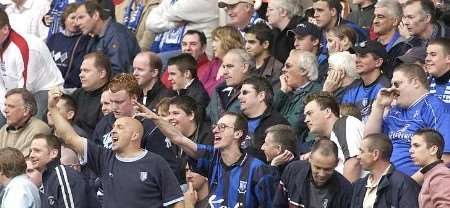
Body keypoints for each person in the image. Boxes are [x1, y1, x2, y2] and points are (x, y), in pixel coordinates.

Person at [47, 89, 185, 208]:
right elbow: (70, 137)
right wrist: (53, 108)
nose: (113, 131)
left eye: (120, 127)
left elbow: (176, 202)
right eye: (113, 127)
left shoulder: (156, 163)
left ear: (134, 135)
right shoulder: (104, 158)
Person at [135, 103, 276, 208]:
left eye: (223, 127)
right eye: (215, 126)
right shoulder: (212, 156)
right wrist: (156, 118)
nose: (215, 131)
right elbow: (179, 139)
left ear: (238, 134)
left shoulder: (257, 168)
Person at [365, 63, 450, 176]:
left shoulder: (435, 108)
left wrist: (410, 184)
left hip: (414, 185)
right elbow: (369, 143)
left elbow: (445, 157)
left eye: (397, 84)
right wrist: (379, 106)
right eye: (391, 85)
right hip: (384, 180)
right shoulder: (394, 110)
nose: (392, 90)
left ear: (415, 82)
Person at [0, 9, 64, 120]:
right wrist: (5, 111)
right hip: (14, 91)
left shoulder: (26, 48)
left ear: (5, 29)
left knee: (29, 124)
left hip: (44, 90)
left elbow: (25, 93)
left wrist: (11, 115)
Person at [273, 139, 353, 208]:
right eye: (317, 168)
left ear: (336, 163)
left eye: (327, 169)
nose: (322, 174)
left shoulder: (345, 190)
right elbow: (278, 204)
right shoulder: (293, 171)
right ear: (310, 158)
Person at [303, 91, 363, 182]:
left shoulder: (346, 123)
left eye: (309, 113)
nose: (306, 120)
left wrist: (344, 195)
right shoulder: (329, 137)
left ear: (327, 112)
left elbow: (354, 163)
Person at [351, 133, 420, 208]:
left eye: (362, 151)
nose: (358, 157)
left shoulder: (404, 184)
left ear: (375, 154)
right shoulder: (359, 185)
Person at [76, 1, 140, 74]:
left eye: (81, 17)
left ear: (95, 15)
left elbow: (118, 72)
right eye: (77, 19)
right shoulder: (94, 37)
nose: (77, 23)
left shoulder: (117, 34)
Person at [238, 76, 290, 161]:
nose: (239, 97)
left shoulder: (278, 124)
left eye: (245, 93)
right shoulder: (235, 120)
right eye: (240, 93)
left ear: (261, 96)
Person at [29, 134, 88, 208]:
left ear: (53, 153)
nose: (31, 155)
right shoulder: (48, 179)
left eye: (37, 151)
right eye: (31, 151)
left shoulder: (63, 175)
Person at [274, 50, 321, 139]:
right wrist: (282, 92)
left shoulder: (316, 93)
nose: (283, 69)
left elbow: (294, 126)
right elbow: (266, 117)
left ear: (303, 71)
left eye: (288, 66)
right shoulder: (286, 92)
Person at [340, 40, 390, 123]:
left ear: (378, 62)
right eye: (357, 55)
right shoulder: (353, 87)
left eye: (363, 56)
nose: (357, 60)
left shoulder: (386, 86)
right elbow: (343, 119)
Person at [47, 3, 90, 89]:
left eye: (78, 19)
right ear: (65, 18)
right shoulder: (54, 38)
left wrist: (65, 87)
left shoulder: (85, 40)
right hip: (49, 85)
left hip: (68, 88)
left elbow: (78, 69)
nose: (75, 22)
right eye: (72, 18)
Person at [206, 48, 252, 124]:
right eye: (224, 67)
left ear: (244, 67)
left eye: (230, 66)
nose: (224, 72)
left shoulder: (255, 92)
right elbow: (206, 118)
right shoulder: (218, 90)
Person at [0, 88, 51, 155]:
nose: (5, 110)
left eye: (11, 106)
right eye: (5, 105)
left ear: (26, 111)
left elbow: (20, 162)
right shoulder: (4, 129)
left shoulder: (39, 129)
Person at [71, 52, 111, 137]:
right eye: (81, 70)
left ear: (102, 73)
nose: (80, 75)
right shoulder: (77, 94)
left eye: (86, 71)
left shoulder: (111, 98)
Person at [410, 129, 450, 208]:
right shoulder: (432, 173)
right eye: (411, 146)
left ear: (433, 149)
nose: (410, 150)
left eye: (416, 145)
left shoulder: (440, 174)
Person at [373, 0, 412, 70]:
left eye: (380, 17)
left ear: (394, 21)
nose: (375, 21)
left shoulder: (404, 48)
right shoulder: (372, 45)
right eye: (375, 16)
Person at [244, 23, 283, 91]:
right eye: (246, 42)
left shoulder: (278, 69)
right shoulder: (246, 65)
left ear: (265, 44)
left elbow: (273, 99)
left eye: (252, 42)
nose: (246, 46)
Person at [426, 38, 450, 103]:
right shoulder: (424, 84)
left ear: (448, 59)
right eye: (426, 55)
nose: (427, 59)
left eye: (433, 55)